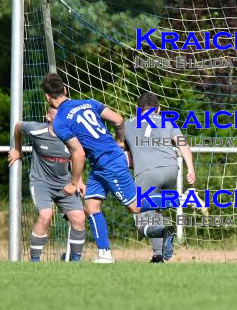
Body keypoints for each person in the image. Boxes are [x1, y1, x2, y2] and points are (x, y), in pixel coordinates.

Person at [42, 73, 182, 263]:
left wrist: (74, 182)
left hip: (108, 163)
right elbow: (118, 119)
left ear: (47, 97)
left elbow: (78, 153)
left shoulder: (59, 122)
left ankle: (179, 198)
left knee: (135, 206)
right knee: (91, 206)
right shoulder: (88, 102)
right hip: (100, 164)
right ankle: (105, 254)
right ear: (65, 89)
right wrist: (119, 140)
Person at [124, 92, 206, 263]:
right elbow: (182, 143)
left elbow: (127, 157)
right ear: (159, 109)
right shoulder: (168, 121)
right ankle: (158, 255)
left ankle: (176, 212)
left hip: (147, 172)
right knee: (156, 211)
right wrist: (190, 168)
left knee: (140, 219)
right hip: (171, 169)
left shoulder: (127, 124)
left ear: (138, 110)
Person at [8, 107, 86, 262]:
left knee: (79, 218)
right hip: (41, 183)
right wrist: (17, 149)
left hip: (65, 183)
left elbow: (76, 157)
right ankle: (35, 261)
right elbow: (17, 127)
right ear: (48, 117)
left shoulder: (71, 136)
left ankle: (76, 261)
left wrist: (79, 181)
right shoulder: (36, 130)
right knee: (45, 215)